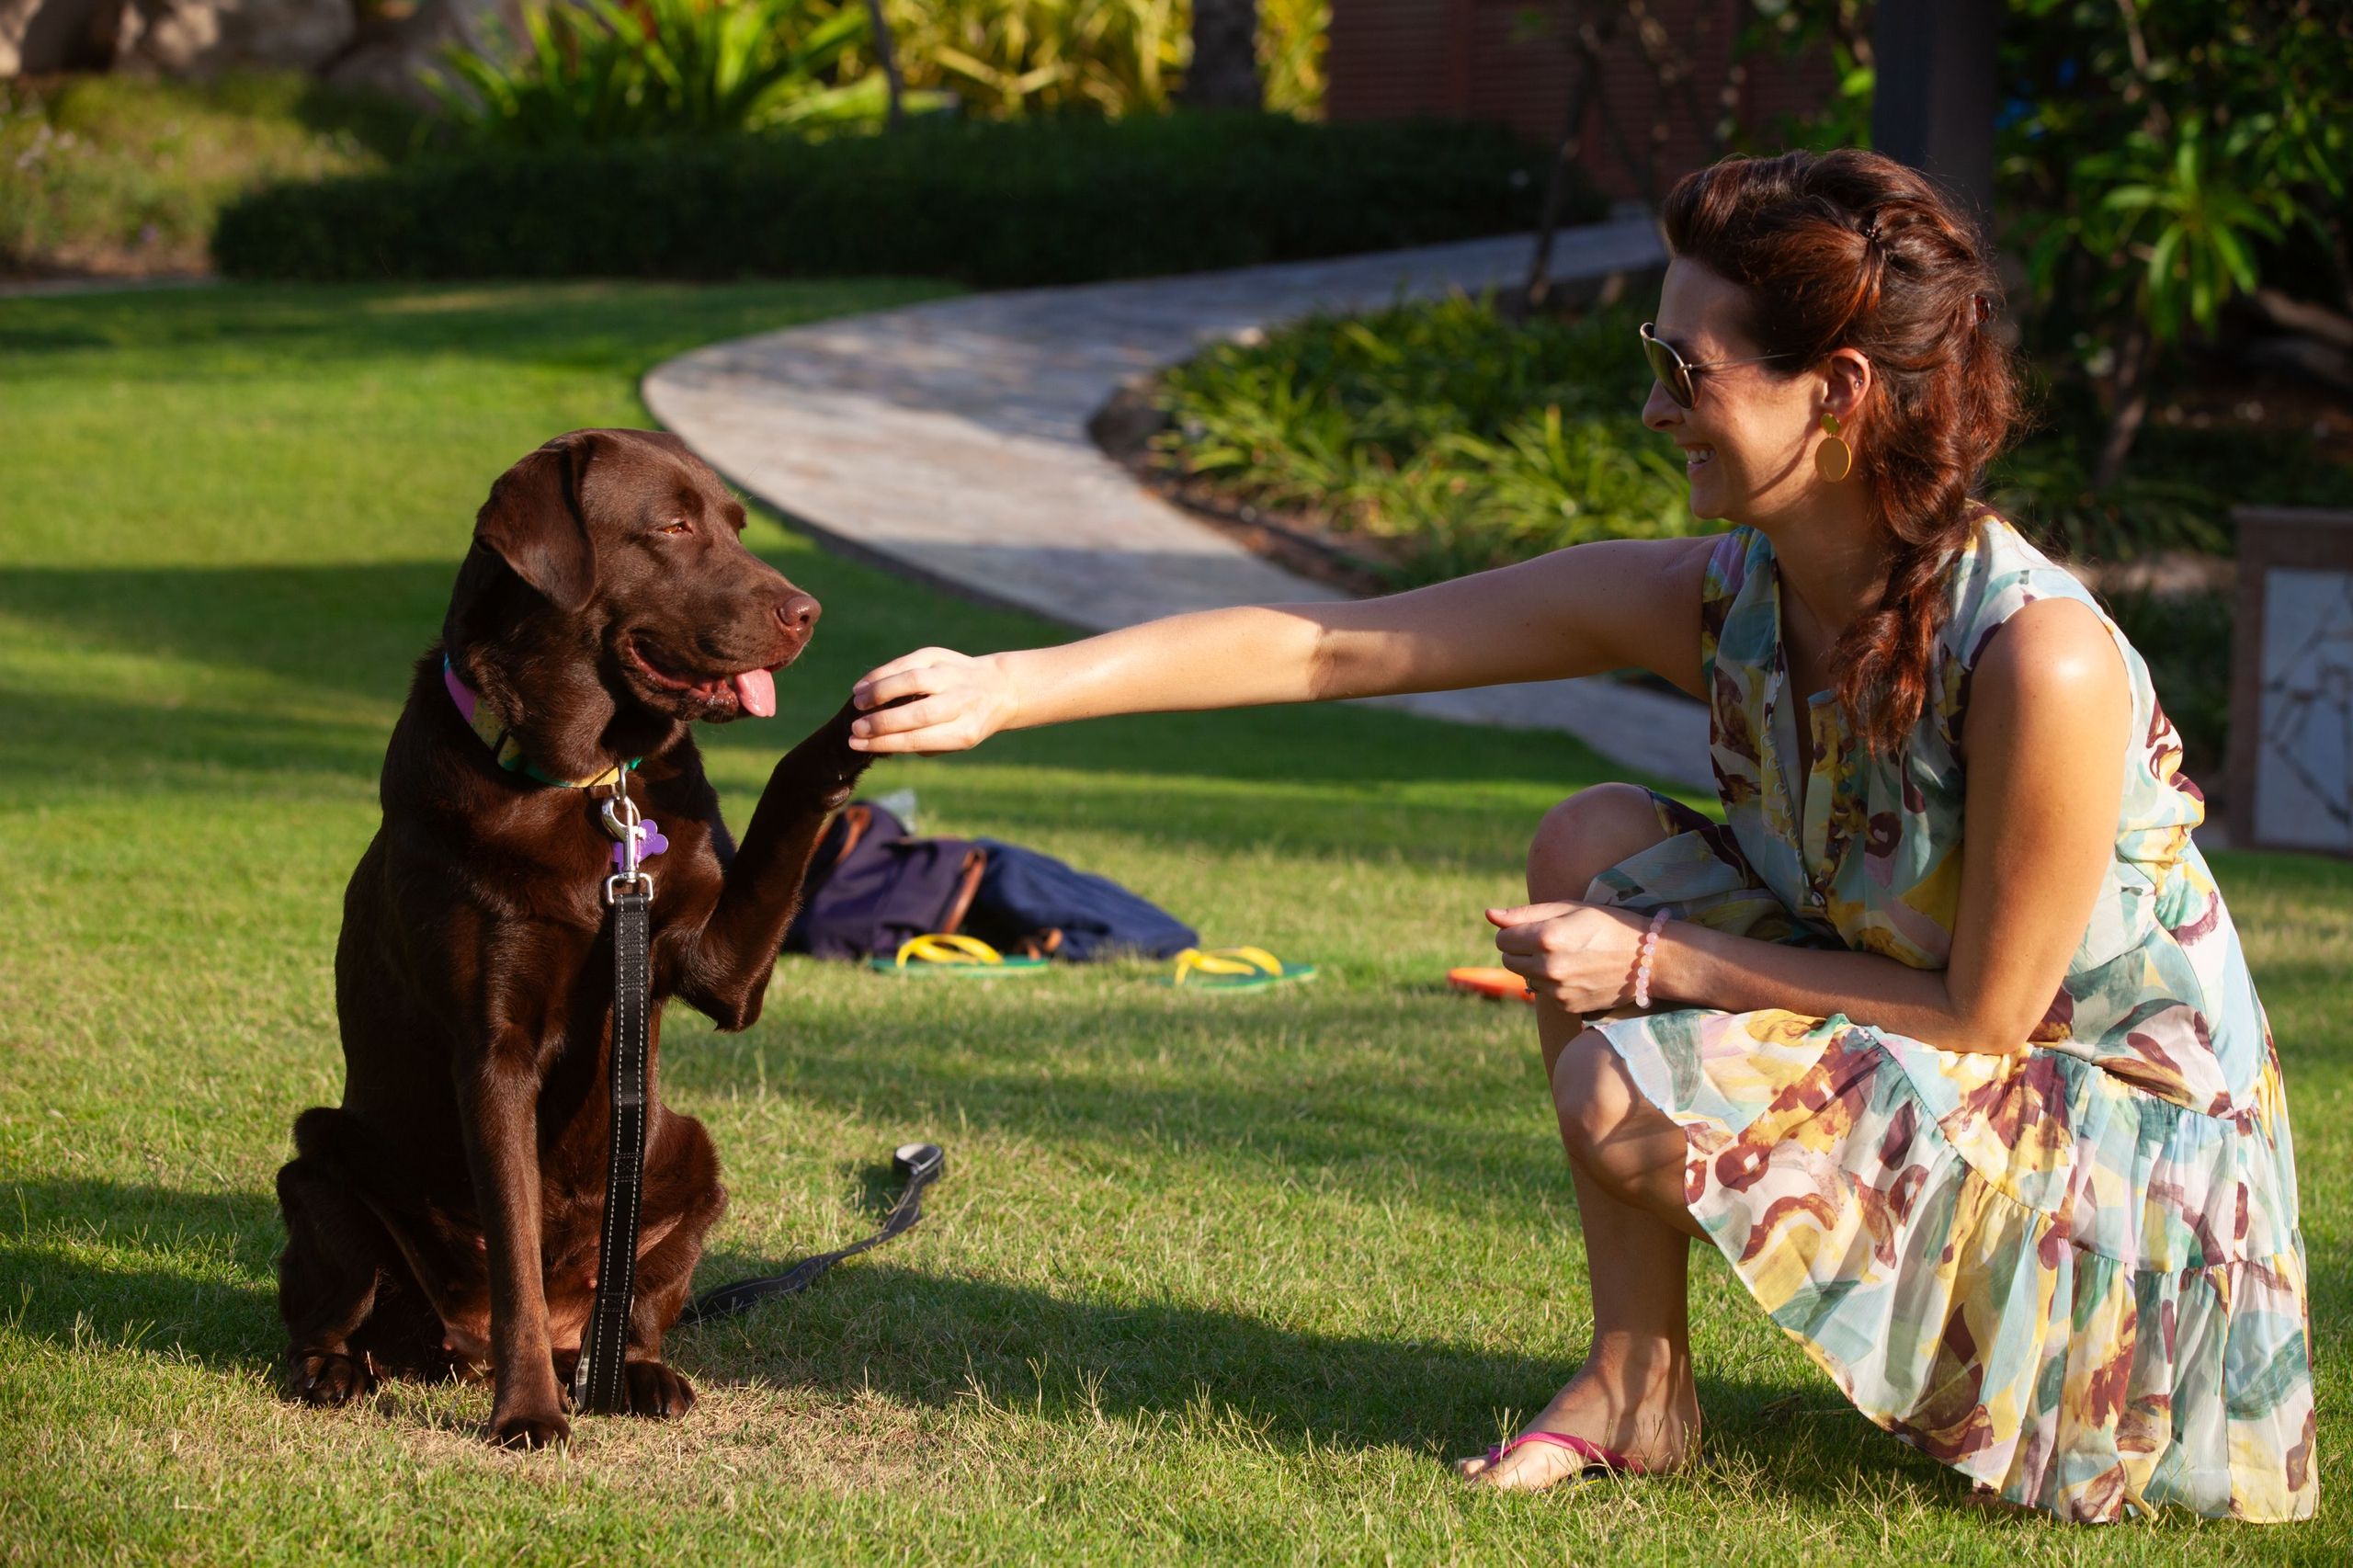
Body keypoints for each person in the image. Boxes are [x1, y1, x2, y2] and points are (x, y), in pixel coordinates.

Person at [842, 149, 2316, 1524]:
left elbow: (1988, 1016)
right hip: (1965, 1078)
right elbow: (1334, 648)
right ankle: (1637, 1386)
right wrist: (1009, 686)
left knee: (1621, 1086)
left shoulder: (2037, 658)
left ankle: (2031, 1386)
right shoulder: (1728, 598)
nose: (1656, 409)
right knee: (1591, 835)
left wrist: (1664, 961)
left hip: (2130, 1175)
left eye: (1686, 370)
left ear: (1838, 392)